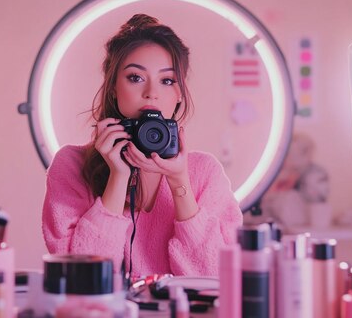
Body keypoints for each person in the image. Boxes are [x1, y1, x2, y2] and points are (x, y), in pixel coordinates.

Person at [41, 14, 243, 277]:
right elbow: (78, 277)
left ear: (180, 93)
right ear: (113, 86)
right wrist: (118, 177)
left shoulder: (204, 172)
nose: (151, 92)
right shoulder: (71, 165)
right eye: (135, 78)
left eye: (167, 80)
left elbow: (216, 278)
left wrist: (179, 181)